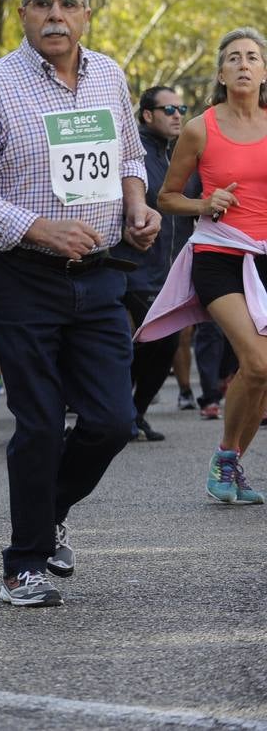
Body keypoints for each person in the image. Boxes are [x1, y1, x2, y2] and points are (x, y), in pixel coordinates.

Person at [0, 0, 159, 607]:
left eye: (69, 5)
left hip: (97, 278)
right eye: (42, 4)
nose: (56, 16)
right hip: (20, 278)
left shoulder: (110, 76)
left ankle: (48, 512)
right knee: (38, 421)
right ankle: (25, 561)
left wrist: (137, 207)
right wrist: (38, 228)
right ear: (22, 14)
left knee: (112, 420)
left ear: (87, 14)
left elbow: (127, 158)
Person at [141, 27, 267, 506]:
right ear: (221, 72)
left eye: (252, 57)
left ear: (263, 72)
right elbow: (167, 198)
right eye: (233, 57)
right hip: (218, 253)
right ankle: (224, 458)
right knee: (256, 362)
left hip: (264, 255)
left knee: (263, 375)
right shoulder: (200, 127)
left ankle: (232, 459)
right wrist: (204, 201)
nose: (242, 63)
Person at [113, 86, 188, 442]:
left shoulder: (168, 155)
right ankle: (119, 413)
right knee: (151, 339)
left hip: (163, 269)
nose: (177, 115)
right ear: (146, 115)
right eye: (168, 109)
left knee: (163, 342)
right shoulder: (133, 156)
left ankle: (133, 413)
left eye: (181, 108)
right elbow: (114, 203)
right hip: (129, 267)